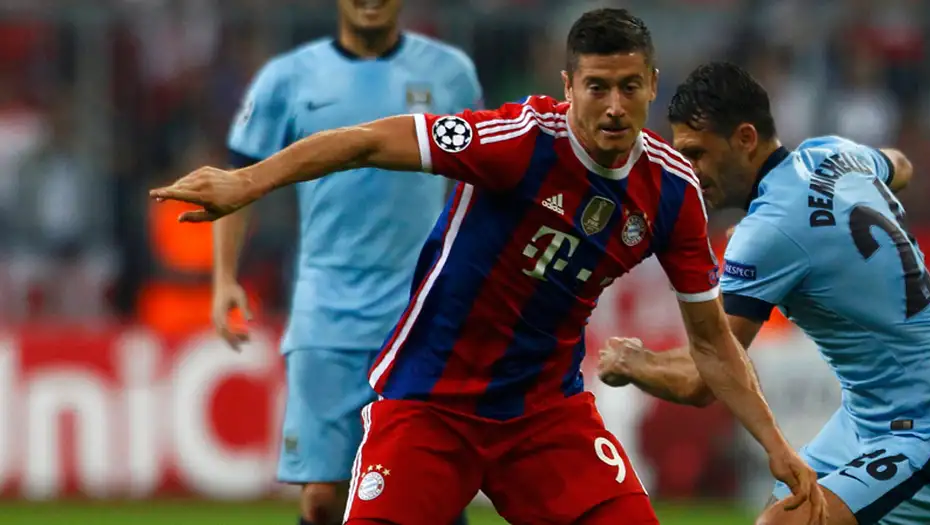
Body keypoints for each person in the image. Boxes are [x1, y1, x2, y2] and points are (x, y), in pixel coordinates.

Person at [153, 9, 815, 525]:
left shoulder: (672, 192)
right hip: (430, 404)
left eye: (629, 86)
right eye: (597, 86)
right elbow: (365, 141)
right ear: (569, 87)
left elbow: (713, 344)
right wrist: (247, 182)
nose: (614, 105)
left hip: (543, 416)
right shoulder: (518, 141)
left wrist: (777, 448)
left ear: (652, 86)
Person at [597, 62, 930, 525]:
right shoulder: (834, 153)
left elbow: (706, 376)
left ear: (745, 139)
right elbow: (900, 165)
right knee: (781, 513)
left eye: (698, 153)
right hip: (866, 420)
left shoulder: (768, 231)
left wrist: (633, 361)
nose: (690, 171)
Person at [215, 1, 480, 524]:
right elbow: (237, 178)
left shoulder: (451, 73)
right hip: (325, 312)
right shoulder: (287, 78)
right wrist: (224, 278)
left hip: (422, 314)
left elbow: (483, 176)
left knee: (430, 485)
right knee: (321, 498)